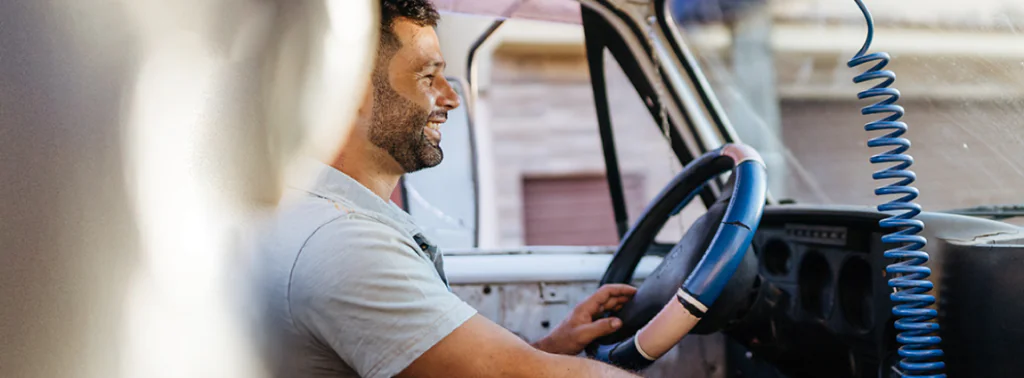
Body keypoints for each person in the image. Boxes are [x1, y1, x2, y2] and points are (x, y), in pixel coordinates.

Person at [251, 1, 642, 377]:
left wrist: (553, 346)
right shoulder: (345, 244)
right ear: (351, 93)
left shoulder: (324, 216)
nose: (452, 98)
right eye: (427, 76)